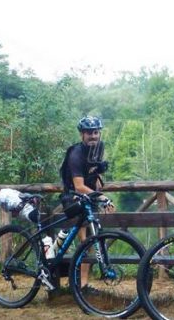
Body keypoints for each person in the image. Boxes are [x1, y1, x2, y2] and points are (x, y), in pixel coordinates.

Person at [60, 115, 114, 291]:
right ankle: (78, 283)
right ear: (82, 134)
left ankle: (81, 283)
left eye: (96, 132)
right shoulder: (76, 153)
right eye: (89, 133)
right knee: (85, 242)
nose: (93, 136)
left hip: (88, 198)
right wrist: (102, 197)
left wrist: (98, 182)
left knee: (91, 241)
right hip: (73, 198)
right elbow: (79, 186)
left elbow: (93, 174)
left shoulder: (98, 148)